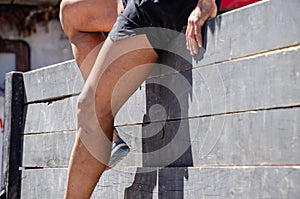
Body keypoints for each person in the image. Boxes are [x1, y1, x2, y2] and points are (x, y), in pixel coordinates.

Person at [60, 0, 218, 198]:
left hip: (158, 7)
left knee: (89, 109)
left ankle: (100, 121)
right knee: (71, 12)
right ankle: (107, 131)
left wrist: (205, 3)